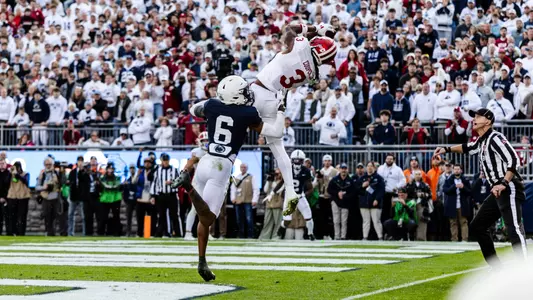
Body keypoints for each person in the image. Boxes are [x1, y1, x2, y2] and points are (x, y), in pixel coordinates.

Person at [170, 75, 286, 282]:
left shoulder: (213, 105)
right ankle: (188, 187)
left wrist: (213, 104)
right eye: (242, 92)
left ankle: (202, 260)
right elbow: (276, 132)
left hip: (206, 160)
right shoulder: (248, 112)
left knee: (202, 218)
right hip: (222, 165)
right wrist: (280, 110)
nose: (247, 95)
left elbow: (193, 110)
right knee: (207, 218)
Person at [250, 23, 337, 217]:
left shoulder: (301, 46)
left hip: (259, 90)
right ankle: (289, 188)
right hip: (275, 101)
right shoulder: (314, 74)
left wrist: (311, 29)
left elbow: (288, 30)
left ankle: (207, 108)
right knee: (279, 151)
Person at [434, 108, 527, 265]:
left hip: (507, 186)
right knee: (477, 226)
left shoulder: (495, 138)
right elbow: (467, 148)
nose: (474, 119)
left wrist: (503, 183)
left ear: (488, 121)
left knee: (514, 228)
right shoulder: (482, 140)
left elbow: (513, 159)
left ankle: (526, 270)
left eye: (478, 116)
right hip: (497, 190)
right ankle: (497, 269)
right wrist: (446, 149)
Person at [278, 149, 315, 241]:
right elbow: (281, 182)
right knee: (287, 220)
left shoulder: (306, 171)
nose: (297, 162)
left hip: (300, 196)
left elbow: (310, 188)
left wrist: (303, 195)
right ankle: (281, 228)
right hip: (289, 197)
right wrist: (272, 193)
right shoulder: (287, 169)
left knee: (308, 216)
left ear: (302, 161)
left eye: (299, 160)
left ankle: (310, 234)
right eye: (295, 160)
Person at [150, 153, 181, 238]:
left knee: (174, 215)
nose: (166, 162)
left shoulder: (174, 170)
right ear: (161, 161)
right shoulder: (158, 170)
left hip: (172, 195)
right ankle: (163, 233)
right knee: (161, 215)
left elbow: (179, 181)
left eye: (167, 160)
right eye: (164, 160)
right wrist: (153, 195)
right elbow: (155, 183)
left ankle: (177, 233)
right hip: (161, 195)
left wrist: (172, 182)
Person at [356, 161, 385, 240]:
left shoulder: (379, 178)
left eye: (371, 166)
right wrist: (362, 186)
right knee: (366, 222)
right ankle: (365, 237)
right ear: (366, 168)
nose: (369, 167)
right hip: (364, 203)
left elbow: (381, 190)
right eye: (368, 166)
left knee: (376, 221)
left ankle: (380, 237)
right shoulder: (362, 178)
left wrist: (377, 199)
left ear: (374, 168)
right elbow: (357, 190)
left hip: (375, 203)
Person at [443, 164, 471, 242]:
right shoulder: (448, 180)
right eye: (455, 169)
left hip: (462, 204)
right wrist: (454, 186)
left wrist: (463, 187)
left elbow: (470, 192)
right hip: (452, 205)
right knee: (453, 223)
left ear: (461, 170)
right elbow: (445, 190)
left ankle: (465, 239)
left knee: (464, 222)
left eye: (458, 169)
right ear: (453, 170)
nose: (456, 171)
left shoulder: (465, 180)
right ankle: (454, 239)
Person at [313, 154, 339, 240]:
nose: (327, 162)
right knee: (322, 217)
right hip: (321, 196)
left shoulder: (335, 171)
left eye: (328, 161)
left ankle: (331, 234)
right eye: (325, 161)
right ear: (323, 162)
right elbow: (315, 184)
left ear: (331, 162)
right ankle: (324, 234)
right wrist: (317, 178)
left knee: (331, 217)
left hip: (331, 197)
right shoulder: (320, 171)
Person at [327, 163, 355, 240]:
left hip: (345, 203)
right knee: (336, 221)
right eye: (342, 169)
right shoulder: (334, 179)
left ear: (347, 170)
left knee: (344, 221)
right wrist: (337, 193)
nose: (343, 170)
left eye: (345, 169)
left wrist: (345, 196)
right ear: (339, 169)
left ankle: (343, 236)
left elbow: (353, 193)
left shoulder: (350, 180)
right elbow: (329, 190)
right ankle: (337, 236)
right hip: (335, 202)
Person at [231, 163, 259, 239]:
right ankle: (241, 235)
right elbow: (233, 189)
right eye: (242, 167)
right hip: (238, 200)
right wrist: (233, 198)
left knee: (249, 219)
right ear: (240, 168)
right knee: (239, 219)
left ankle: (250, 235)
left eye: (244, 167)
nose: (243, 168)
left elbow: (256, 189)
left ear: (247, 168)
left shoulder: (251, 177)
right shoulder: (237, 177)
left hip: (248, 200)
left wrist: (254, 199)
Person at [377, 154, 406, 222]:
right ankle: (384, 231)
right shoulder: (380, 168)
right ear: (385, 159)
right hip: (383, 194)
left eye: (391, 159)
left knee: (393, 212)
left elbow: (403, 181)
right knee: (383, 213)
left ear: (393, 160)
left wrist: (397, 187)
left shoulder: (398, 169)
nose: (389, 160)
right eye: (388, 159)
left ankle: (392, 230)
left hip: (393, 194)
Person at [36, 157, 61, 236]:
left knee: (55, 216)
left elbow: (62, 183)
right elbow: (37, 186)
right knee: (47, 217)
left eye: (50, 164)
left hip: (55, 197)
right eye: (46, 164)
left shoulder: (57, 173)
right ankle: (48, 232)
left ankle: (53, 232)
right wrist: (44, 188)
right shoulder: (42, 174)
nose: (48, 166)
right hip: (46, 198)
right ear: (44, 165)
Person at [406, 170, 432, 241]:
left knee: (422, 222)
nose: (417, 176)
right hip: (411, 205)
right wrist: (415, 193)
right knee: (411, 222)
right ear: (413, 175)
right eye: (416, 174)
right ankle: (411, 238)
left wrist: (422, 194)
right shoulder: (409, 184)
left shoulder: (425, 185)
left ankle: (421, 239)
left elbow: (430, 194)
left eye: (419, 174)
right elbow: (407, 194)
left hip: (422, 205)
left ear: (421, 175)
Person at [133, 158, 156, 238]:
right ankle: (139, 233)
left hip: (150, 198)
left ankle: (151, 233)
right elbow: (134, 182)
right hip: (141, 198)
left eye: (148, 162)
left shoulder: (154, 172)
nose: (147, 164)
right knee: (140, 218)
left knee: (152, 218)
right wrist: (137, 174)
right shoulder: (141, 172)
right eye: (145, 162)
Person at [6, 161, 30, 236]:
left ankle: (21, 232)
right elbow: (6, 182)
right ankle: (13, 232)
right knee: (12, 216)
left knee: (22, 216)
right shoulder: (11, 174)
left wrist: (18, 175)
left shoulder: (26, 174)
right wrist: (10, 173)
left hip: (23, 197)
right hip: (12, 197)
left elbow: (26, 181)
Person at [259, 169, 284, 240]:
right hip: (269, 204)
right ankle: (265, 236)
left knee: (278, 222)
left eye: (278, 174)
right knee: (267, 222)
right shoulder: (271, 181)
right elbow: (265, 190)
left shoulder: (282, 182)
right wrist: (268, 180)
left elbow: (278, 190)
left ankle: (276, 237)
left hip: (278, 204)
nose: (277, 175)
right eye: (275, 174)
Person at [98, 164, 122, 236]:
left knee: (116, 216)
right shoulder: (102, 178)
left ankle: (117, 232)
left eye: (112, 169)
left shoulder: (117, 178)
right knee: (103, 217)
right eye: (109, 169)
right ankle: (101, 232)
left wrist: (111, 187)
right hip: (105, 199)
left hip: (115, 199)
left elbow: (117, 186)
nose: (110, 170)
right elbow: (103, 186)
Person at [67, 157, 88, 237]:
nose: (80, 163)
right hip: (74, 195)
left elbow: (85, 181)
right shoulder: (72, 172)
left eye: (81, 161)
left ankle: (84, 233)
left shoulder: (84, 172)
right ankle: (70, 232)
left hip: (81, 196)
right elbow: (70, 181)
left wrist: (82, 171)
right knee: (70, 214)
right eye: (79, 161)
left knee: (83, 216)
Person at [122, 164, 137, 237]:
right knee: (128, 217)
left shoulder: (137, 179)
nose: (132, 170)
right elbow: (124, 191)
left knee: (138, 217)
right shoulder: (127, 180)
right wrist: (126, 200)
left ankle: (139, 232)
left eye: (133, 168)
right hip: (129, 201)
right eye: (131, 168)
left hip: (137, 200)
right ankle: (128, 232)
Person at [0, 160, 10, 235]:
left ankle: (9, 233)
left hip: (7, 199)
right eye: (0, 164)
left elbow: (11, 186)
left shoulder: (9, 174)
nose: (1, 165)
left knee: (8, 218)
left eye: (3, 163)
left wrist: (5, 198)